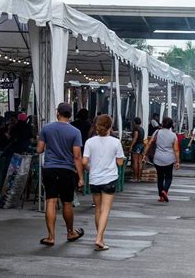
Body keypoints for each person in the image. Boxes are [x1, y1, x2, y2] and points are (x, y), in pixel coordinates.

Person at [36, 102, 85, 246]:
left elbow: (39, 150)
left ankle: (50, 236)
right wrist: (81, 177)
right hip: (67, 170)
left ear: (58, 113)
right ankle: (70, 232)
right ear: (70, 115)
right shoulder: (75, 132)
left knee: (50, 201)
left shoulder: (46, 128)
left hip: (50, 168)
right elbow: (77, 156)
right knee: (67, 203)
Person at [83, 114, 125, 251]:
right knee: (105, 210)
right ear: (110, 126)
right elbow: (120, 162)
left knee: (97, 209)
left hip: (94, 179)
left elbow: (84, 162)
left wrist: (90, 167)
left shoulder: (90, 142)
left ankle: (100, 237)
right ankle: (99, 238)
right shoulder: (115, 142)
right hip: (109, 179)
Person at [143, 117, 179, 202]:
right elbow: (176, 150)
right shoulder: (173, 135)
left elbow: (149, 143)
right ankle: (164, 191)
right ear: (171, 126)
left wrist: (144, 154)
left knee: (160, 177)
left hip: (158, 158)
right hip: (169, 159)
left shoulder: (157, 132)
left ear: (162, 124)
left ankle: (161, 196)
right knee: (168, 177)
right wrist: (177, 161)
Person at [129, 117, 145, 182]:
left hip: (136, 146)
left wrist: (131, 146)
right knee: (140, 162)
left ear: (134, 122)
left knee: (135, 162)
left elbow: (135, 138)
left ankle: (135, 177)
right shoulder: (142, 129)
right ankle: (139, 178)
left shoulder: (136, 129)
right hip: (141, 145)